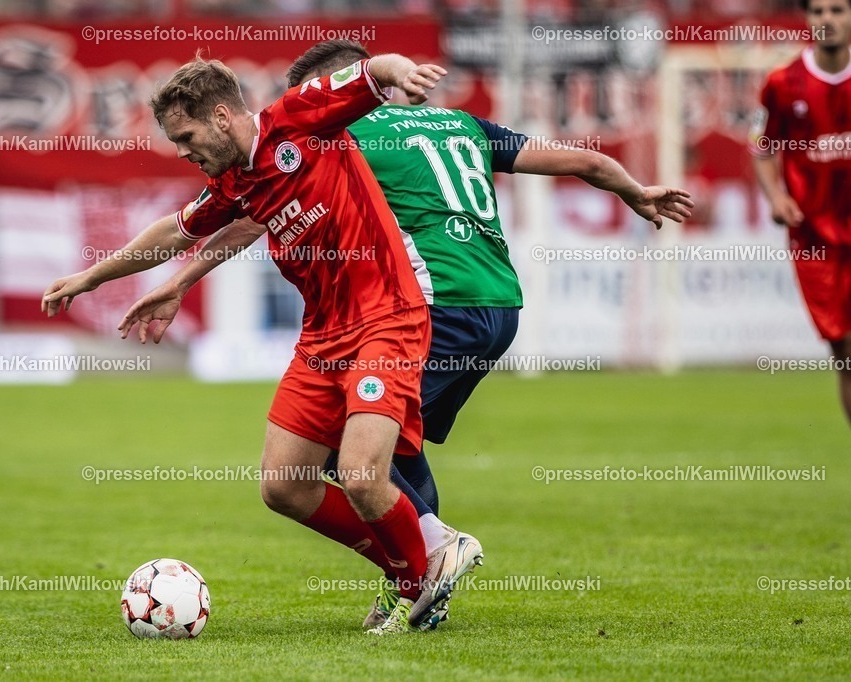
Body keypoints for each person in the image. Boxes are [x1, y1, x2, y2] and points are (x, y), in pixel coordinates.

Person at [108, 40, 695, 628]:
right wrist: (635, 191)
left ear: (336, 92)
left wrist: (182, 279)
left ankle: (425, 564)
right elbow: (585, 162)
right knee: (385, 447)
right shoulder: (458, 123)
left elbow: (251, 216)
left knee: (352, 450)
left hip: (423, 299)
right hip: (499, 307)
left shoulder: (344, 134)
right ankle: (422, 568)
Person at [45, 52, 469, 635]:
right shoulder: (232, 182)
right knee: (284, 485)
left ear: (222, 116)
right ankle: (427, 554)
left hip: (384, 318)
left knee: (363, 475)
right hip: (323, 336)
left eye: (186, 135)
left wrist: (403, 73)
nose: (181, 151)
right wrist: (93, 277)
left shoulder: (297, 117)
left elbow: (372, 71)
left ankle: (414, 579)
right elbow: (174, 230)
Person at [751, 0, 851, 425]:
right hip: (816, 237)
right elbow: (761, 145)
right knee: (843, 351)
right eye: (817, 11)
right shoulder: (783, 83)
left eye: (837, 10)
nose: (826, 20)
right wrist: (775, 196)